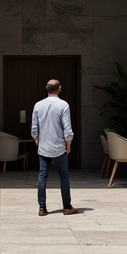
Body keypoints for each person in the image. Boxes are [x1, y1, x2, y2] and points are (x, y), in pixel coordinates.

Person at [31, 78, 76, 216]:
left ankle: (42, 208)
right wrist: (68, 142)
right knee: (64, 176)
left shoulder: (38, 105)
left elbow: (34, 128)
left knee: (42, 176)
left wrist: (37, 141)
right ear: (59, 88)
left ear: (46, 88)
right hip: (59, 148)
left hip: (44, 147)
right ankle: (67, 206)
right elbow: (67, 128)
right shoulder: (63, 105)